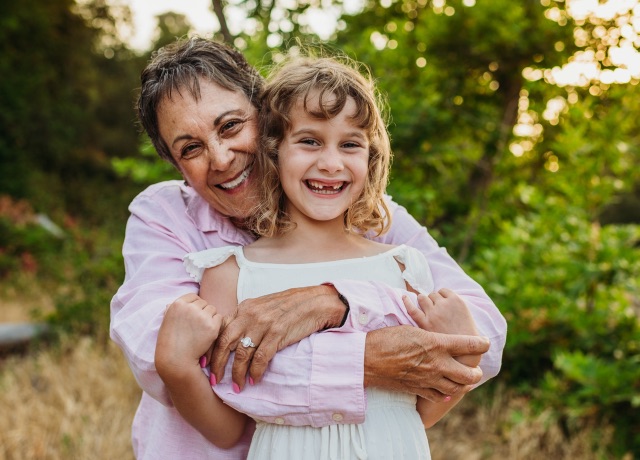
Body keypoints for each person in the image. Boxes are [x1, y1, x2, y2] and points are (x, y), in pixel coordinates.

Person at [110, 37, 506, 460]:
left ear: (267, 121)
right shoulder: (165, 217)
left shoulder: (372, 215)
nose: (221, 158)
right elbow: (168, 356)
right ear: (176, 165)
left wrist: (337, 301)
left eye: (230, 126)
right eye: (191, 148)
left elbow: (483, 335)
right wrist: (366, 359)